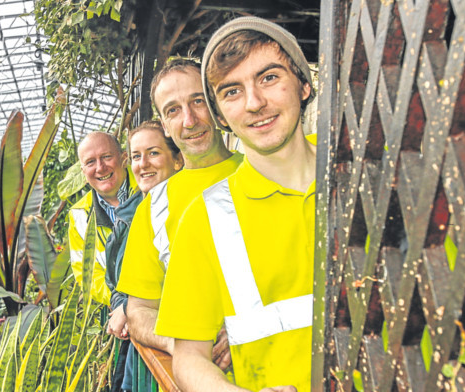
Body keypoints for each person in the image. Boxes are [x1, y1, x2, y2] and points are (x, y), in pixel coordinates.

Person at [155, 16, 316, 392]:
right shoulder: (205, 217)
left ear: (304, 85)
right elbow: (190, 356)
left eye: (269, 78)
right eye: (231, 92)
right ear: (222, 117)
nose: (255, 103)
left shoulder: (374, 176)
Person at [116, 58, 242, 368]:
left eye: (198, 101)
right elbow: (139, 311)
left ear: (214, 104)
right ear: (164, 125)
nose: (189, 119)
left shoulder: (262, 170)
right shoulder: (154, 207)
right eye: (173, 110)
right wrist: (186, 345)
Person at [104, 121, 183, 392]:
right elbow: (114, 280)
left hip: (178, 352)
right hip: (140, 349)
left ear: (178, 160)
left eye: (154, 153)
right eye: (136, 156)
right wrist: (123, 305)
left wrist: (127, 309)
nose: (143, 164)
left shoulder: (189, 209)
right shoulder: (130, 216)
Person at [67, 131, 139, 306]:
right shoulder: (79, 215)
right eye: (90, 162)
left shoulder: (147, 190)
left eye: (106, 157)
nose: (100, 168)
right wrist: (120, 302)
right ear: (83, 170)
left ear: (124, 158)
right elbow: (87, 274)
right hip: (119, 312)